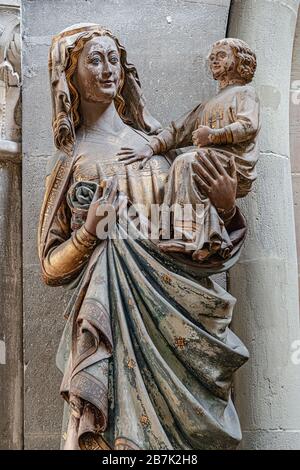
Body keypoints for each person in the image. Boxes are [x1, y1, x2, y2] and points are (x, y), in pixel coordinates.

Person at [39, 24, 249, 450]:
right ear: (70, 76)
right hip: (112, 318)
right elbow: (49, 265)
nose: (106, 69)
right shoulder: (73, 161)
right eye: (93, 60)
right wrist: (87, 234)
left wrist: (226, 209)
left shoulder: (157, 149)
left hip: (179, 318)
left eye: (112, 58)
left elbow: (202, 243)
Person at [118, 38, 260, 261]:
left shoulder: (244, 93)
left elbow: (249, 126)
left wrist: (213, 135)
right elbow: (178, 130)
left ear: (240, 61)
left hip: (233, 164)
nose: (214, 59)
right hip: (211, 160)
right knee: (182, 166)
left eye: (222, 55)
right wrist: (151, 146)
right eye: (212, 56)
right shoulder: (209, 104)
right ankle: (203, 238)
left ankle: (190, 236)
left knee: (186, 162)